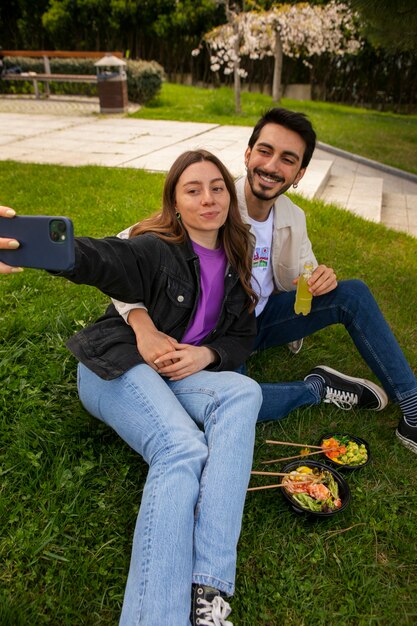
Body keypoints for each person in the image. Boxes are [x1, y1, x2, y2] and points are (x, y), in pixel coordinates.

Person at [1, 150, 265, 626]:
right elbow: (105, 259)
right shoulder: (156, 248)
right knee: (182, 448)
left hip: (174, 374)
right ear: (175, 203)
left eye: (218, 187)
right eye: (193, 189)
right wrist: (54, 251)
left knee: (246, 393)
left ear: (230, 193)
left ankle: (208, 587)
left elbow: (242, 337)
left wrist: (206, 355)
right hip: (115, 366)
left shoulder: (236, 261)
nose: (208, 198)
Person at [113, 108, 417, 455]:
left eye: (287, 159)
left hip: (264, 318)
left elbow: (304, 271)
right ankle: (317, 388)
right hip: (218, 333)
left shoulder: (292, 217)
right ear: (248, 154)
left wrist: (320, 277)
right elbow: (120, 254)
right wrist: (143, 328)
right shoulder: (213, 201)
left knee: (353, 294)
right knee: (230, 399)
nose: (272, 166)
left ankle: (413, 406)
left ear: (299, 174)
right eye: (265, 151)